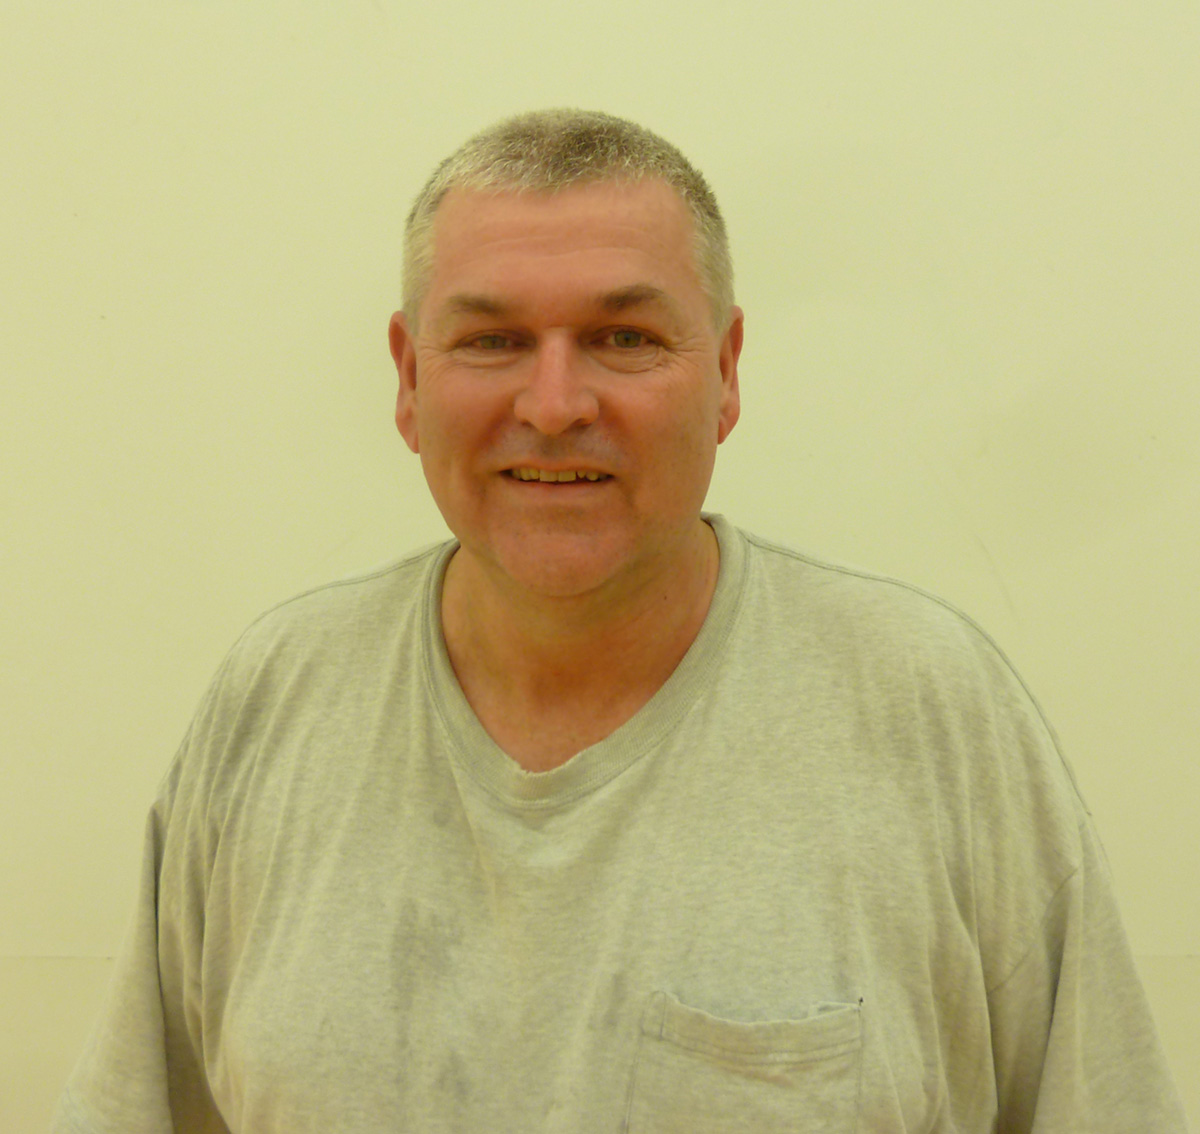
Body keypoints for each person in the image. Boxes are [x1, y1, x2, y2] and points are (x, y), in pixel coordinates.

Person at [54, 109, 1188, 1133]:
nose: (554, 406)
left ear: (726, 373)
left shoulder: (928, 707)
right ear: (407, 378)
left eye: (626, 338)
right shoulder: (275, 700)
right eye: (492, 340)